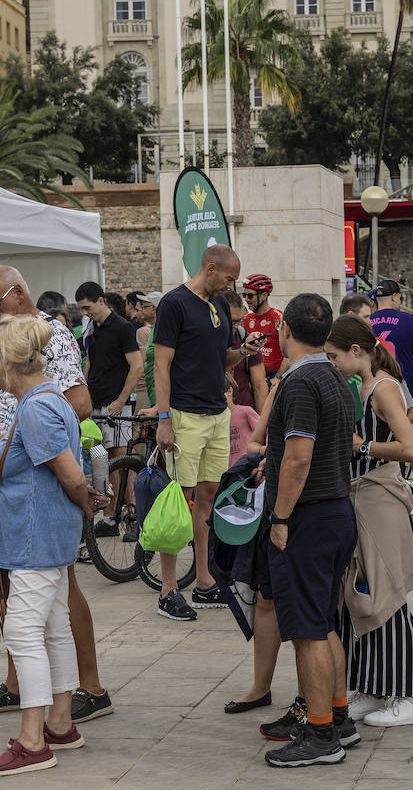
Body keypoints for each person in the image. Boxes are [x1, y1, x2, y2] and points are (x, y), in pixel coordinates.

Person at [0, 266, 111, 727]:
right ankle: (19, 687)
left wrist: (27, 439)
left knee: (56, 588)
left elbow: (80, 403)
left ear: (18, 293)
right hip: (9, 471)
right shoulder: (1, 337)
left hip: (39, 472)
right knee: (18, 585)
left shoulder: (54, 339)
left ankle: (90, 688)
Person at [0, 315, 99, 777]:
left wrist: (87, 502)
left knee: (24, 633)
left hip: (36, 537)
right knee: (52, 627)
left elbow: (70, 475)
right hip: (42, 535)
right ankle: (60, 724)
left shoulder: (36, 407)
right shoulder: (41, 400)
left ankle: (32, 741)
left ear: (7, 359)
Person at [261, 294, 358, 768]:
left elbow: (298, 458)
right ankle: (337, 717)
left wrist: (279, 518)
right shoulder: (336, 377)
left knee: (307, 631)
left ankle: (321, 734)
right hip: (336, 511)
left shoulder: (300, 382)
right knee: (323, 622)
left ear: (283, 327)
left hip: (309, 517)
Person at [325, 316, 413, 729]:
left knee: (388, 596)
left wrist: (362, 445)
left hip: (379, 500)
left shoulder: (383, 388)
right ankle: (372, 687)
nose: (331, 363)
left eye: (334, 356)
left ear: (356, 352)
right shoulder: (363, 386)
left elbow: (410, 447)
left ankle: (412, 696)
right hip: (361, 498)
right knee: (361, 596)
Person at [154, 245, 260, 620]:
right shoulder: (174, 304)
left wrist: (243, 352)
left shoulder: (217, 307)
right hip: (184, 415)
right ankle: (168, 590)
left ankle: (203, 583)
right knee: (177, 499)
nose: (233, 286)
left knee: (208, 496)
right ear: (211, 269)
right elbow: (161, 366)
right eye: (230, 278)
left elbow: (219, 361)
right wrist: (164, 418)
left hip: (217, 414)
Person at [369, 280, 413, 475]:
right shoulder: (409, 320)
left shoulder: (367, 321)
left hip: (376, 386)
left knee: (380, 435)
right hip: (405, 386)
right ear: (394, 297)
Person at [76, 282, 144, 457]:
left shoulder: (123, 327)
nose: (84, 313)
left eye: (87, 307)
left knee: (121, 453)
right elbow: (90, 362)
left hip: (116, 403)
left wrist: (121, 400)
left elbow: (137, 367)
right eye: (81, 309)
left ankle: (131, 485)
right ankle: (110, 486)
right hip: (95, 402)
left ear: (100, 301)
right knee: (102, 456)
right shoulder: (90, 328)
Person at [242, 273, 285, 383]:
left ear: (264, 295)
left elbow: (289, 354)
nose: (246, 299)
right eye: (244, 295)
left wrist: (278, 377)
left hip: (274, 376)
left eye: (250, 295)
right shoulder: (246, 319)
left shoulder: (279, 318)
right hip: (251, 376)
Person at [226, 377, 260, 468]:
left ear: (229, 391)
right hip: (229, 470)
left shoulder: (245, 411)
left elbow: (263, 433)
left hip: (248, 465)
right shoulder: (216, 420)